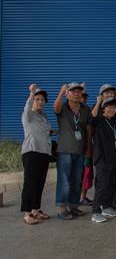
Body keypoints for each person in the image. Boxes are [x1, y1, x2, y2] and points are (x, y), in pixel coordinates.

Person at [53, 82, 91, 220]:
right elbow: (55, 108)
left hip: (79, 150)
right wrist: (61, 92)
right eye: (73, 91)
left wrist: (88, 149)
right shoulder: (63, 107)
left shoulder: (85, 109)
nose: (76, 93)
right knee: (64, 180)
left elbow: (88, 130)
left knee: (77, 180)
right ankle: (63, 209)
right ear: (67, 94)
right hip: (65, 150)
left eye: (78, 91)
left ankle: (74, 206)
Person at [21, 84, 53, 225]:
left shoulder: (44, 116)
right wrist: (32, 93)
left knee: (39, 183)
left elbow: (46, 132)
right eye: (37, 99)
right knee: (30, 183)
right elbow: (27, 106)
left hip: (44, 152)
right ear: (33, 100)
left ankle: (36, 210)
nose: (40, 101)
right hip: (31, 152)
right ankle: (27, 213)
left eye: (42, 99)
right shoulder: (28, 114)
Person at [91, 97, 116, 223]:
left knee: (110, 184)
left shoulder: (113, 122)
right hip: (102, 158)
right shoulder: (99, 120)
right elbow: (91, 117)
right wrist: (98, 102)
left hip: (113, 157)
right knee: (102, 184)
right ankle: (95, 212)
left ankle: (106, 207)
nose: (112, 110)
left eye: (114, 107)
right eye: (109, 107)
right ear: (103, 109)